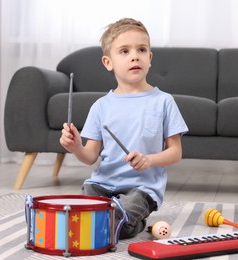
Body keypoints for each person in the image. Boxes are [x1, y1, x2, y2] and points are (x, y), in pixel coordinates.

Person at [60, 18, 188, 240]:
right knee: (85, 202)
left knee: (122, 214)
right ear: (108, 62)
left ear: (150, 58)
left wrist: (149, 160)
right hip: (102, 183)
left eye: (141, 49)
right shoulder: (100, 106)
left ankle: (124, 221)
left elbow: (175, 152)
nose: (134, 56)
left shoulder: (164, 102)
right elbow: (90, 156)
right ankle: (114, 220)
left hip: (142, 188)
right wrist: (76, 147)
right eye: (124, 51)